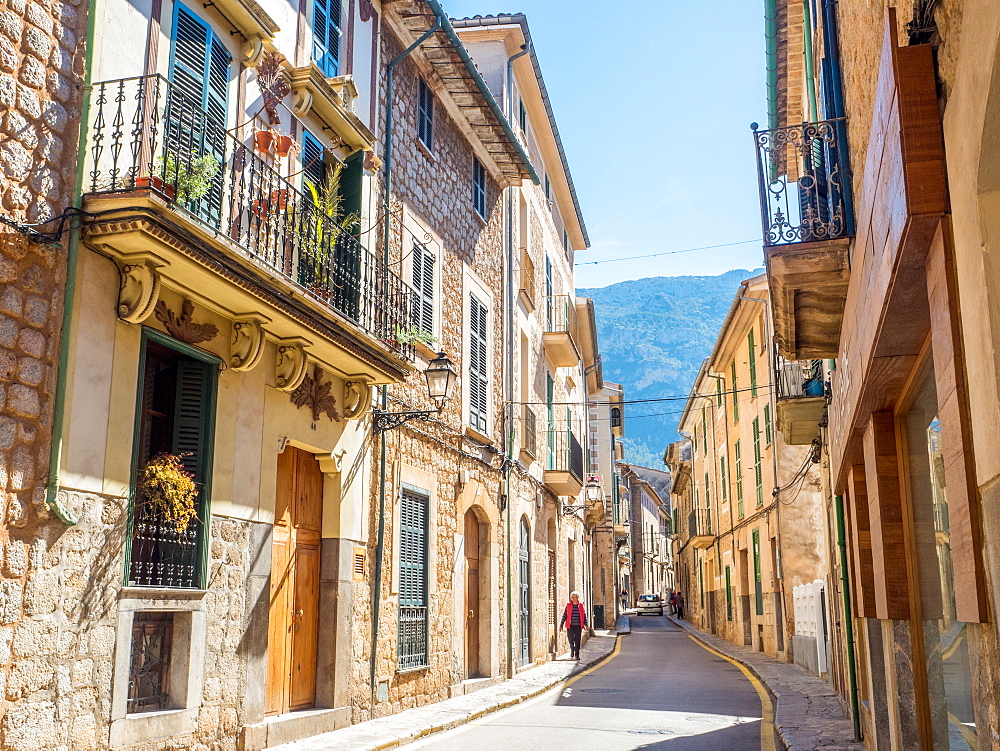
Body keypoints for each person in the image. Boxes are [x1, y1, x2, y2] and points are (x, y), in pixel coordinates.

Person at [560, 591, 587, 660]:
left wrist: (585, 624)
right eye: (573, 597)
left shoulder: (581, 605)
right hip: (570, 626)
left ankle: (577, 655)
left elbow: (584, 615)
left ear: (578, 598)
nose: (574, 599)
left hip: (578, 626)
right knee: (571, 639)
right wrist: (561, 624)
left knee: (577, 640)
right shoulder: (568, 606)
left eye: (576, 597)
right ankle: (572, 649)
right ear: (571, 598)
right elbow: (565, 615)